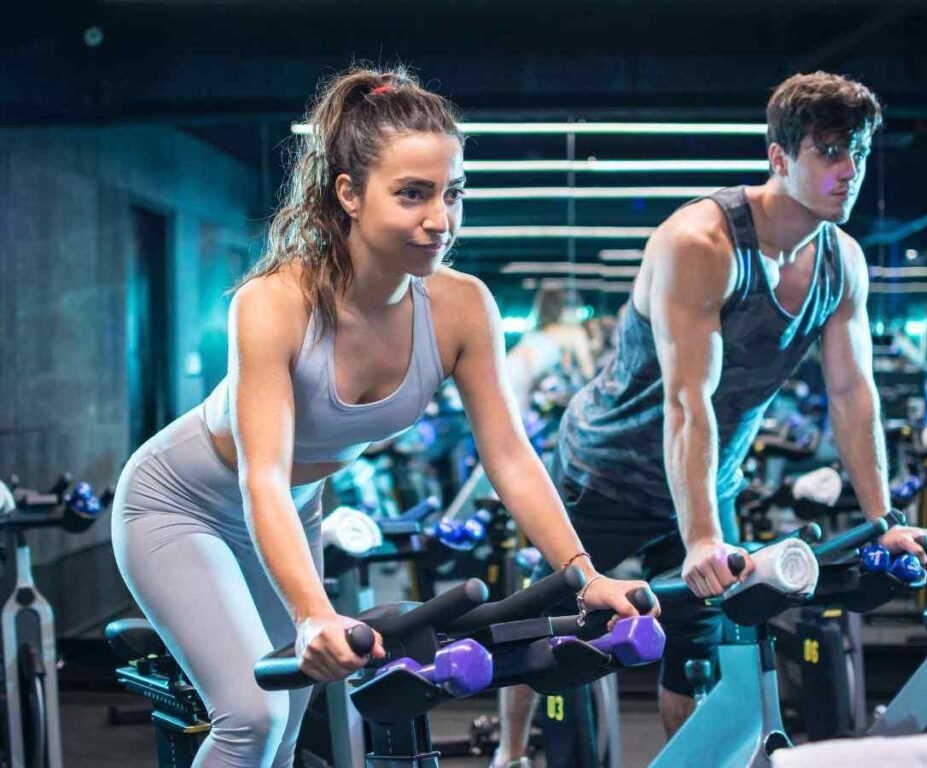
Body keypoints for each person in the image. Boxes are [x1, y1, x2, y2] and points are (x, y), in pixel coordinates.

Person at [111, 65, 655, 768]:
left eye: (453, 193)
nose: (441, 219)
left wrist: (586, 575)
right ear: (349, 194)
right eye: (412, 194)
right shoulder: (274, 304)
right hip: (177, 505)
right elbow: (262, 479)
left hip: (291, 510)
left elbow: (511, 455)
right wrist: (311, 611)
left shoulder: (462, 308)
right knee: (251, 714)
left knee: (290, 719)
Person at [495, 71, 927, 767]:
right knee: (539, 621)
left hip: (709, 477)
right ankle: (511, 755)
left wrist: (886, 521)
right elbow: (686, 398)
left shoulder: (841, 263)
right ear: (780, 157)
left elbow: (854, 394)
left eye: (858, 151)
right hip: (605, 468)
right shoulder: (701, 243)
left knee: (696, 651)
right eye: (829, 151)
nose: (849, 171)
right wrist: (701, 538)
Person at [507, 287, 596, 413]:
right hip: (521, 379)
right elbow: (588, 372)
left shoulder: (534, 332)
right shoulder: (574, 332)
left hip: (508, 371)